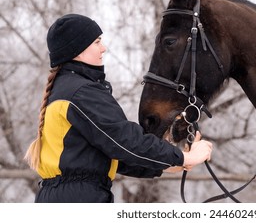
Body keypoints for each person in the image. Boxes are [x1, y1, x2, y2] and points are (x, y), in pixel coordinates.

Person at [24, 13, 213, 203]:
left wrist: (174, 162)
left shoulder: (67, 89)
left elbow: (113, 154)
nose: (103, 48)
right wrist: (183, 158)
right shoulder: (81, 92)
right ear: (78, 50)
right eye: (97, 42)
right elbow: (126, 141)